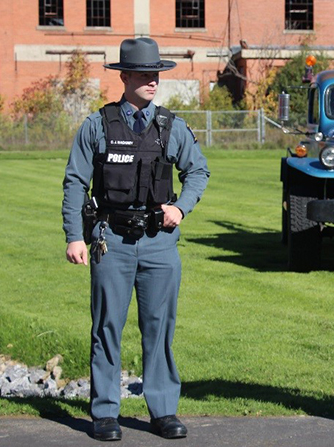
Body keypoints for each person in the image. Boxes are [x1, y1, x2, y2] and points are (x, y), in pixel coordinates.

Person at [62, 38, 210, 441]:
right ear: (123, 76)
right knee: (107, 326)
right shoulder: (97, 125)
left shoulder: (171, 127)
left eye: (156, 74)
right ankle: (106, 413)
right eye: (143, 74)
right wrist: (75, 236)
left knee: (159, 327)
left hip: (159, 243)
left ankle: (162, 410)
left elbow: (198, 172)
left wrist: (181, 208)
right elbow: (75, 181)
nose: (152, 81)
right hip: (111, 241)